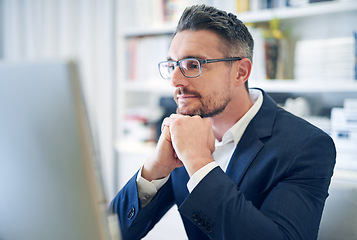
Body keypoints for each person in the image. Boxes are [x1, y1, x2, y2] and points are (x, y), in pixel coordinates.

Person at [110, 4, 336, 240]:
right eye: (172, 65)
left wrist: (199, 163)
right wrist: (154, 169)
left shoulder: (306, 146)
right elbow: (110, 233)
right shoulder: (180, 131)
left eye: (193, 64)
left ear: (240, 72)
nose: (175, 80)